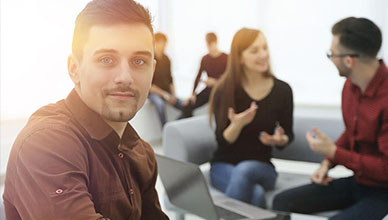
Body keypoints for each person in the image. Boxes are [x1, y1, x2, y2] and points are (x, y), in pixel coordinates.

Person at [2, 0, 169, 219]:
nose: (125, 78)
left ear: (152, 70)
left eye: (139, 61)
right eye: (106, 59)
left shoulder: (141, 153)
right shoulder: (44, 143)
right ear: (74, 69)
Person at [273, 17, 388, 220]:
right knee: (281, 202)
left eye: (331, 54)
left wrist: (334, 152)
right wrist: (327, 163)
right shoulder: (350, 86)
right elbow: (352, 133)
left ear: (349, 60)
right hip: (360, 182)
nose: (331, 58)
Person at [208, 28, 294, 208]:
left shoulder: (283, 90)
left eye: (264, 48)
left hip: (262, 167)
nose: (263, 54)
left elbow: (288, 136)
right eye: (254, 51)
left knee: (245, 169)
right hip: (222, 166)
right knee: (256, 195)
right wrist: (237, 125)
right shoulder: (224, 90)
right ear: (239, 57)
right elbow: (222, 141)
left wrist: (278, 139)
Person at [181, 32, 228, 118]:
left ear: (216, 42)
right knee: (187, 106)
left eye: (211, 44)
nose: (209, 46)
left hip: (222, 90)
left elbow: (229, 77)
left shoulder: (226, 57)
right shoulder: (205, 58)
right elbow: (198, 76)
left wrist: (215, 82)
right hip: (209, 90)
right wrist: (193, 94)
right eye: (207, 44)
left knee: (220, 110)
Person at [148, 32, 183, 127]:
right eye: (162, 43)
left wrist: (174, 95)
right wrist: (165, 95)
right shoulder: (149, 59)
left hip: (167, 92)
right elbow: (149, 85)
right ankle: (165, 130)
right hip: (154, 93)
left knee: (185, 106)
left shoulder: (167, 59)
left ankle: (173, 126)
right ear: (155, 43)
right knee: (160, 104)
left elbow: (170, 79)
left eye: (165, 44)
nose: (164, 46)